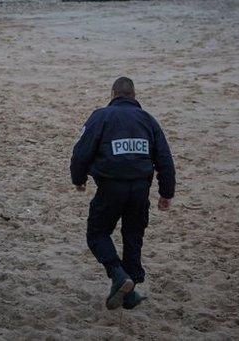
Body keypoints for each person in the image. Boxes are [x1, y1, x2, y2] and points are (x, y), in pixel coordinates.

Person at [71, 77, 175, 310]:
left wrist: (78, 180)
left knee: (97, 233)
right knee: (133, 236)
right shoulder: (148, 120)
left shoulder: (100, 116)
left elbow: (81, 152)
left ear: (113, 94)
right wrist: (166, 193)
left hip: (111, 187)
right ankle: (129, 293)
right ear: (134, 96)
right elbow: (165, 159)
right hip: (140, 188)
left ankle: (118, 275)